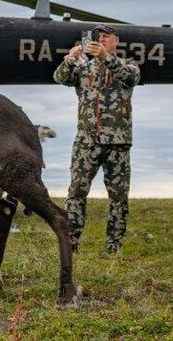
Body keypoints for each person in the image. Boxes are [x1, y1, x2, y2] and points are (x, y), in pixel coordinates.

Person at [53, 24, 141, 253]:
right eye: (97, 38)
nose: (101, 41)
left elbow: (130, 77)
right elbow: (59, 77)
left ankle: (114, 246)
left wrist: (107, 58)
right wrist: (71, 59)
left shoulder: (128, 66)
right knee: (76, 193)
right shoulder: (84, 68)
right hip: (87, 141)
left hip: (117, 142)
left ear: (115, 41)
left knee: (119, 197)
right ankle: (71, 245)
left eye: (105, 38)